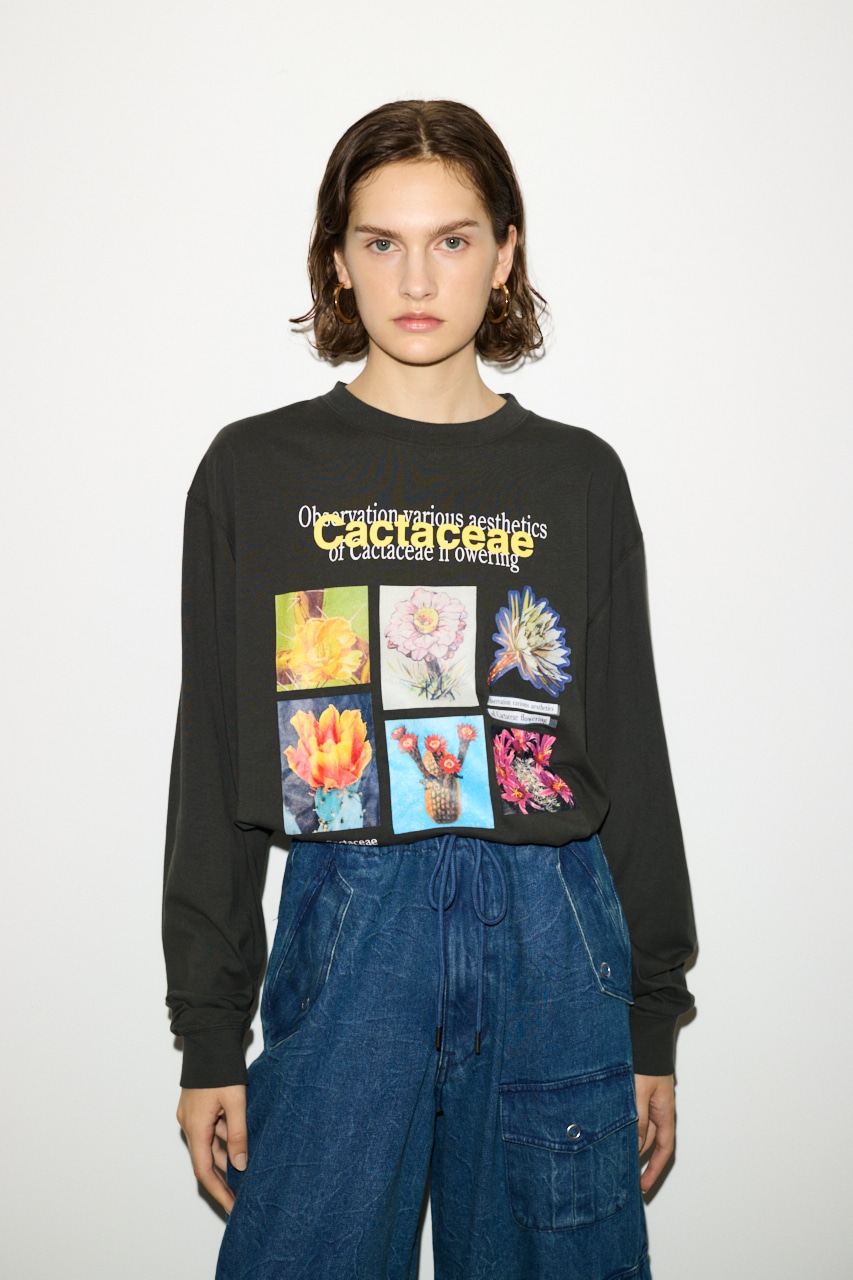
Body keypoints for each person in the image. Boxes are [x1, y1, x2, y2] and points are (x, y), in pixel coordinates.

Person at [163, 99, 696, 1280]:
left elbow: (631, 749)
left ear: (503, 253)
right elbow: (213, 765)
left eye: (451, 239)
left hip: (552, 933)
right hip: (351, 923)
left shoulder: (576, 476)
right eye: (381, 241)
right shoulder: (254, 470)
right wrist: (208, 1033)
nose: (416, 278)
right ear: (337, 259)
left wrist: (651, 1011)